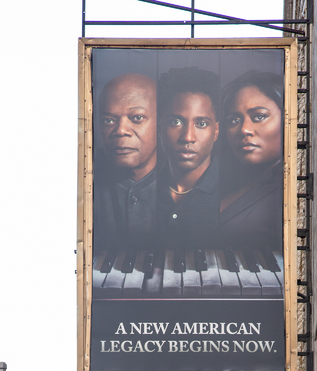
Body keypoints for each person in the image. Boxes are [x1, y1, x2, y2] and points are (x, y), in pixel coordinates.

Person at [157, 67, 220, 249]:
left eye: (201, 124)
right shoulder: (145, 186)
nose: (188, 137)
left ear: (216, 131)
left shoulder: (232, 191)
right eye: (176, 122)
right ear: (160, 127)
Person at [220, 71, 284, 248]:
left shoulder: (287, 192)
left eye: (259, 117)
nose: (244, 129)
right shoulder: (226, 180)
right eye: (234, 120)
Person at [94, 73, 158, 249]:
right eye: (108, 120)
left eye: (137, 118)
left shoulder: (186, 177)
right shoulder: (84, 174)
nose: (120, 130)